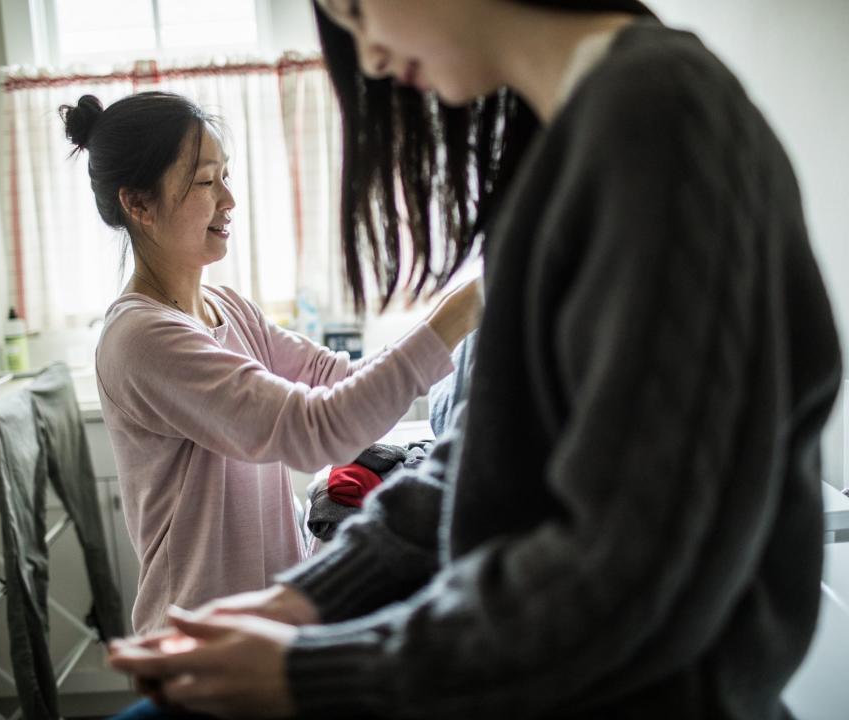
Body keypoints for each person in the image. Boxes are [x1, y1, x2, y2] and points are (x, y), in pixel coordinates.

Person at [107, 1, 843, 718]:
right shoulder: (561, 150)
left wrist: (319, 669)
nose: (367, 54)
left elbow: (625, 566)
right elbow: (483, 456)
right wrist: (312, 596)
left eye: (357, 7)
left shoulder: (656, 121)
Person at [60, 91, 482, 634]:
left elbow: (338, 381)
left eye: (226, 176)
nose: (229, 199)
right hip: (202, 632)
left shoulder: (227, 306)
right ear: (139, 205)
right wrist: (454, 318)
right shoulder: (143, 339)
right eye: (206, 181)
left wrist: (459, 335)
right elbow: (315, 430)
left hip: (268, 621)